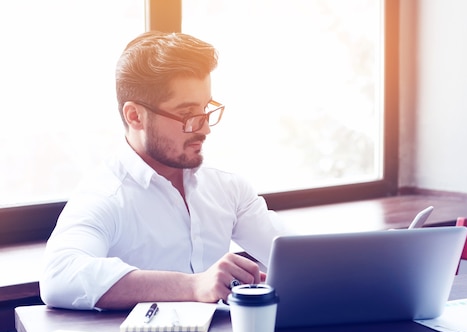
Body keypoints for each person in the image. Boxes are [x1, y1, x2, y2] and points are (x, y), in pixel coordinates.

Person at [41, 31, 287, 310]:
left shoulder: (228, 189)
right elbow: (59, 276)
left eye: (205, 109)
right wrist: (194, 286)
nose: (204, 128)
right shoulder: (106, 195)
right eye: (187, 114)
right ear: (135, 116)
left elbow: (295, 255)